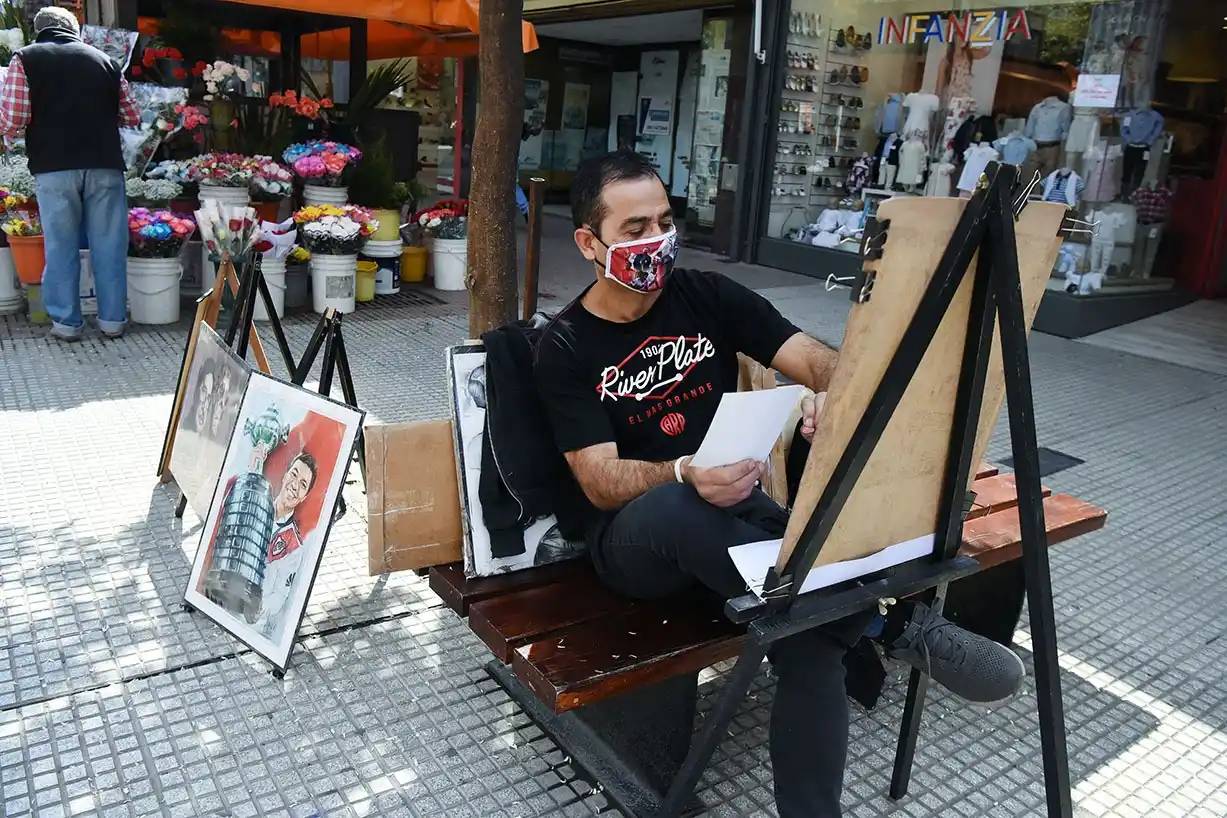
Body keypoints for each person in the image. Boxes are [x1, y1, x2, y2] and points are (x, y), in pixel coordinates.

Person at [533, 149, 1027, 817]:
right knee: (683, 508)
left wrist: (832, 396)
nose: (656, 241)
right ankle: (891, 626)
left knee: (805, 638)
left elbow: (818, 360)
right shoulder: (564, 346)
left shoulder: (706, 296)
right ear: (589, 242)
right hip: (637, 545)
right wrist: (683, 470)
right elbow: (597, 480)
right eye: (634, 229)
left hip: (741, 523)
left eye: (664, 221)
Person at [0, 6, 141, 341]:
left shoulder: (26, 59)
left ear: (39, 30)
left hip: (54, 165)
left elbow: (12, 120)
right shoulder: (105, 61)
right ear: (75, 30)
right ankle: (112, 321)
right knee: (109, 243)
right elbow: (132, 115)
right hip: (105, 162)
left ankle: (66, 323)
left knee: (61, 245)